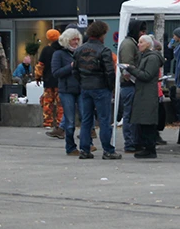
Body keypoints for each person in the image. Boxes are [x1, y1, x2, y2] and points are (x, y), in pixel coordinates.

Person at [73, 20, 121, 160]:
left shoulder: (79, 50)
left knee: (86, 120)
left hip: (85, 87)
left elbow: (75, 70)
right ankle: (107, 150)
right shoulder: (104, 51)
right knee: (104, 120)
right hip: (101, 88)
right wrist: (110, 87)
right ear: (102, 34)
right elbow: (109, 71)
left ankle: (85, 149)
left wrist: (82, 82)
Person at [123, 35, 164, 159]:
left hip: (147, 93)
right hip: (143, 92)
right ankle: (147, 147)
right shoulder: (145, 57)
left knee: (147, 122)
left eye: (141, 42)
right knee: (144, 121)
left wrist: (131, 69)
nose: (138, 44)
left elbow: (146, 75)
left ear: (148, 44)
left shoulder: (151, 58)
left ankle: (150, 148)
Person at [51, 27, 83, 155]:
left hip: (81, 89)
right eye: (73, 39)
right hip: (66, 90)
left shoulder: (81, 52)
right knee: (69, 121)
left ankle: (87, 145)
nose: (76, 42)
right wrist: (70, 67)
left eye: (77, 39)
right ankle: (70, 147)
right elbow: (56, 73)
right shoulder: (58, 54)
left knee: (85, 117)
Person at [118, 20, 146, 152]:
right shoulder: (129, 44)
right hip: (130, 84)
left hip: (132, 84)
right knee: (129, 115)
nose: (143, 34)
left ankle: (134, 141)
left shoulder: (131, 43)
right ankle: (130, 143)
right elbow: (127, 66)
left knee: (132, 115)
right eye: (142, 31)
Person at [38, 29, 64, 137]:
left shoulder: (46, 50)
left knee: (47, 102)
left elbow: (40, 65)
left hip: (48, 80)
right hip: (60, 80)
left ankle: (47, 122)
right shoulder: (62, 49)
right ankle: (59, 122)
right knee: (60, 103)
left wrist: (38, 76)